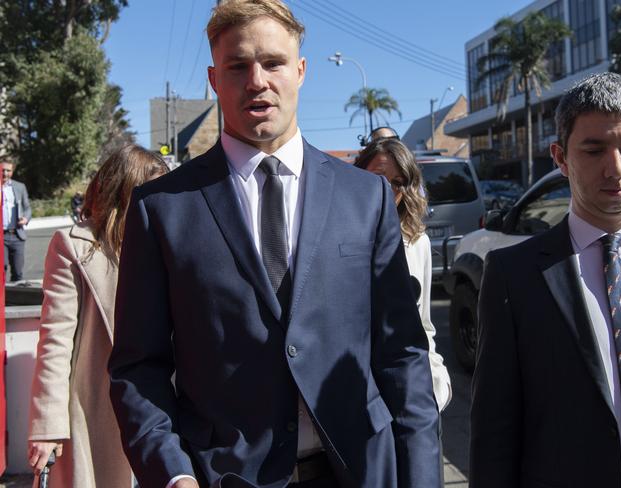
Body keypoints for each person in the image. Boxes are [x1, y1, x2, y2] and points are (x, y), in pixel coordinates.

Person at [108, 1, 441, 488]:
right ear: (214, 79)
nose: (257, 80)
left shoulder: (365, 196)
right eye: (238, 66)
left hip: (363, 470)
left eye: (273, 62)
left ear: (301, 70)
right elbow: (139, 367)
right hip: (223, 476)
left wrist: (423, 477)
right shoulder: (161, 208)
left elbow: (402, 355)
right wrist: (172, 474)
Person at [470, 72, 621, 488]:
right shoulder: (513, 276)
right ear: (561, 157)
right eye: (594, 149)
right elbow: (495, 430)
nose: (616, 167)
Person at [27, 144, 169, 488]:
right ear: (124, 191)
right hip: (98, 412)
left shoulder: (169, 243)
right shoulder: (73, 247)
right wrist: (48, 427)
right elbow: (55, 343)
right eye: (149, 192)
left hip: (164, 411)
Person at [355, 138, 452, 410]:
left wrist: (437, 382)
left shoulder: (417, 242)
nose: (386, 190)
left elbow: (424, 325)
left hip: (414, 396)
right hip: (360, 401)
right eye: (377, 178)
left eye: (397, 183)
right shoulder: (335, 240)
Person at [2, 158, 31, 282]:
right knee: (1, 268)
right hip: (1, 237)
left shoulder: (20, 187)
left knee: (18, 272)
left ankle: (14, 300)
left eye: (8, 170)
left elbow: (27, 207)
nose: (5, 173)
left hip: (17, 235)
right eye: (2, 170)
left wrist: (26, 217)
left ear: (12, 172)